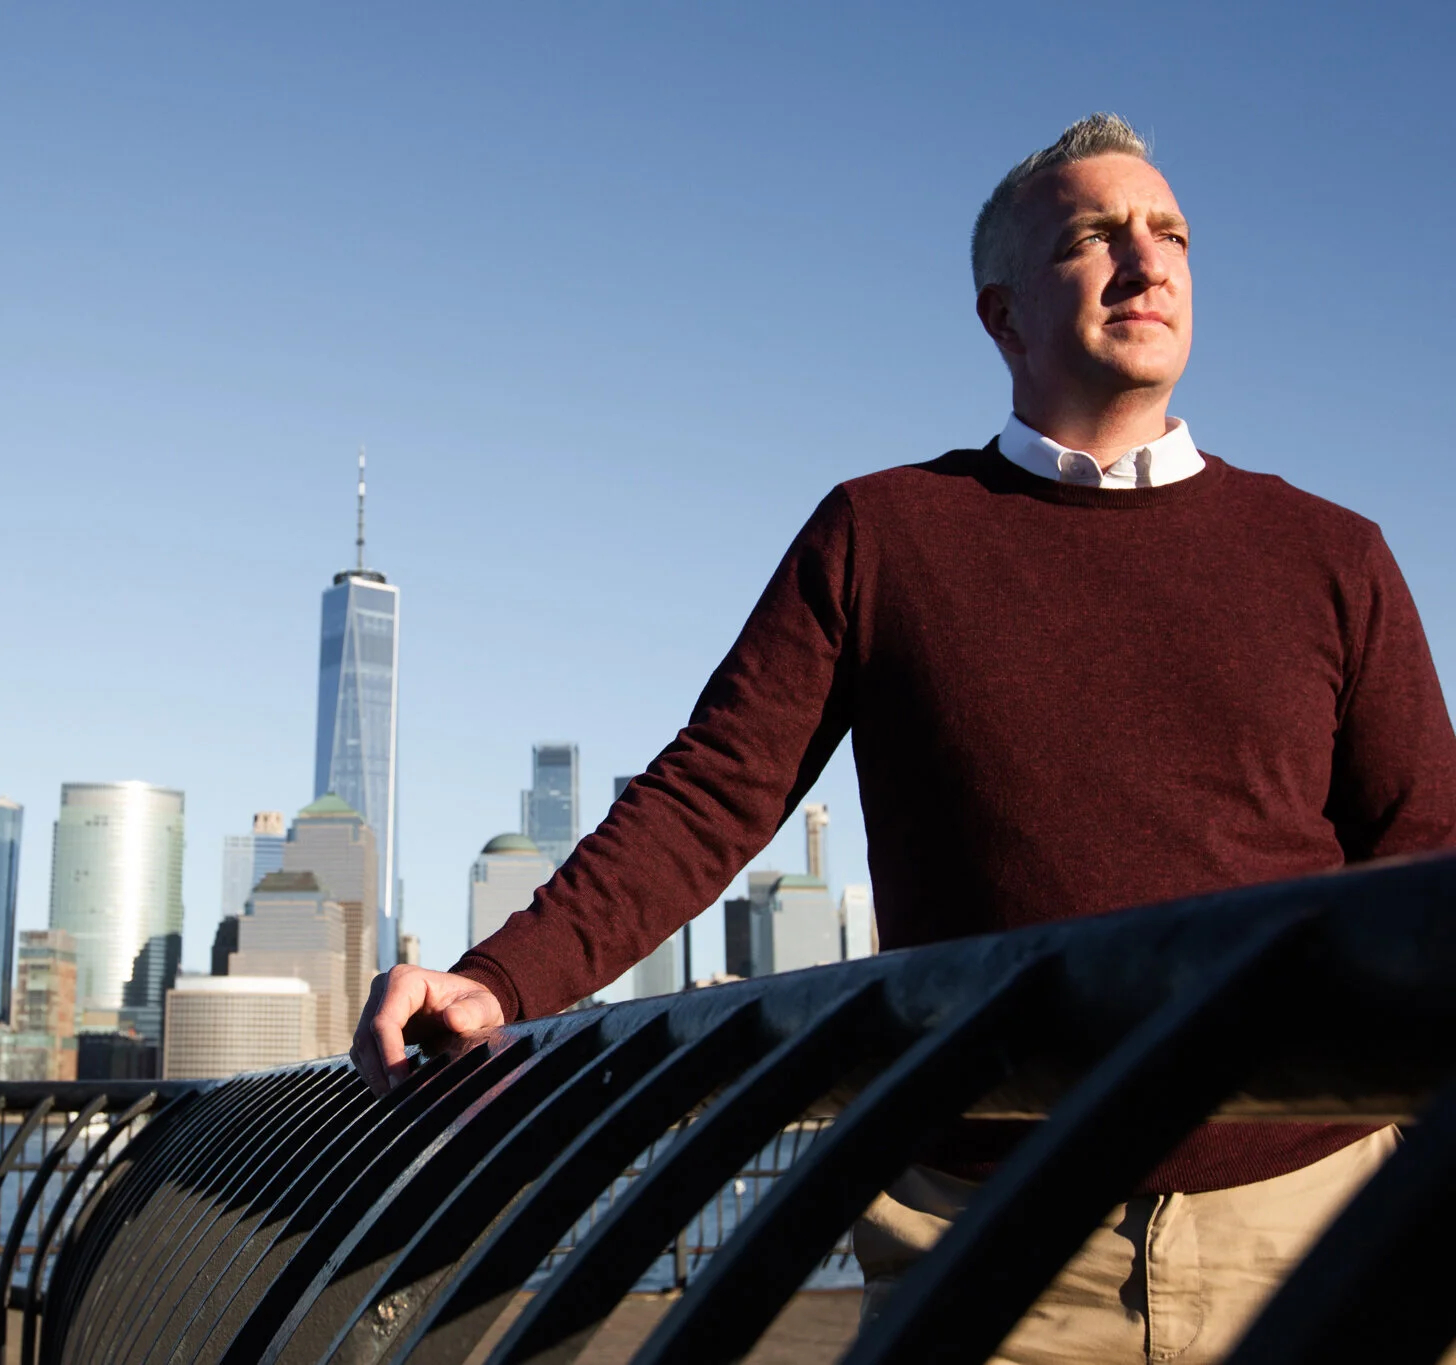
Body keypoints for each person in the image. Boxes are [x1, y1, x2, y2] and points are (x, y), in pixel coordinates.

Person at [348, 113, 1456, 1362]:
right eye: (1094, 239)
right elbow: (710, 794)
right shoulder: (883, 533)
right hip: (993, 1243)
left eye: (1171, 236)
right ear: (1001, 317)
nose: (1148, 265)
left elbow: (1426, 852)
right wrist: (500, 979)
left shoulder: (1331, 551)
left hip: (1316, 1221)